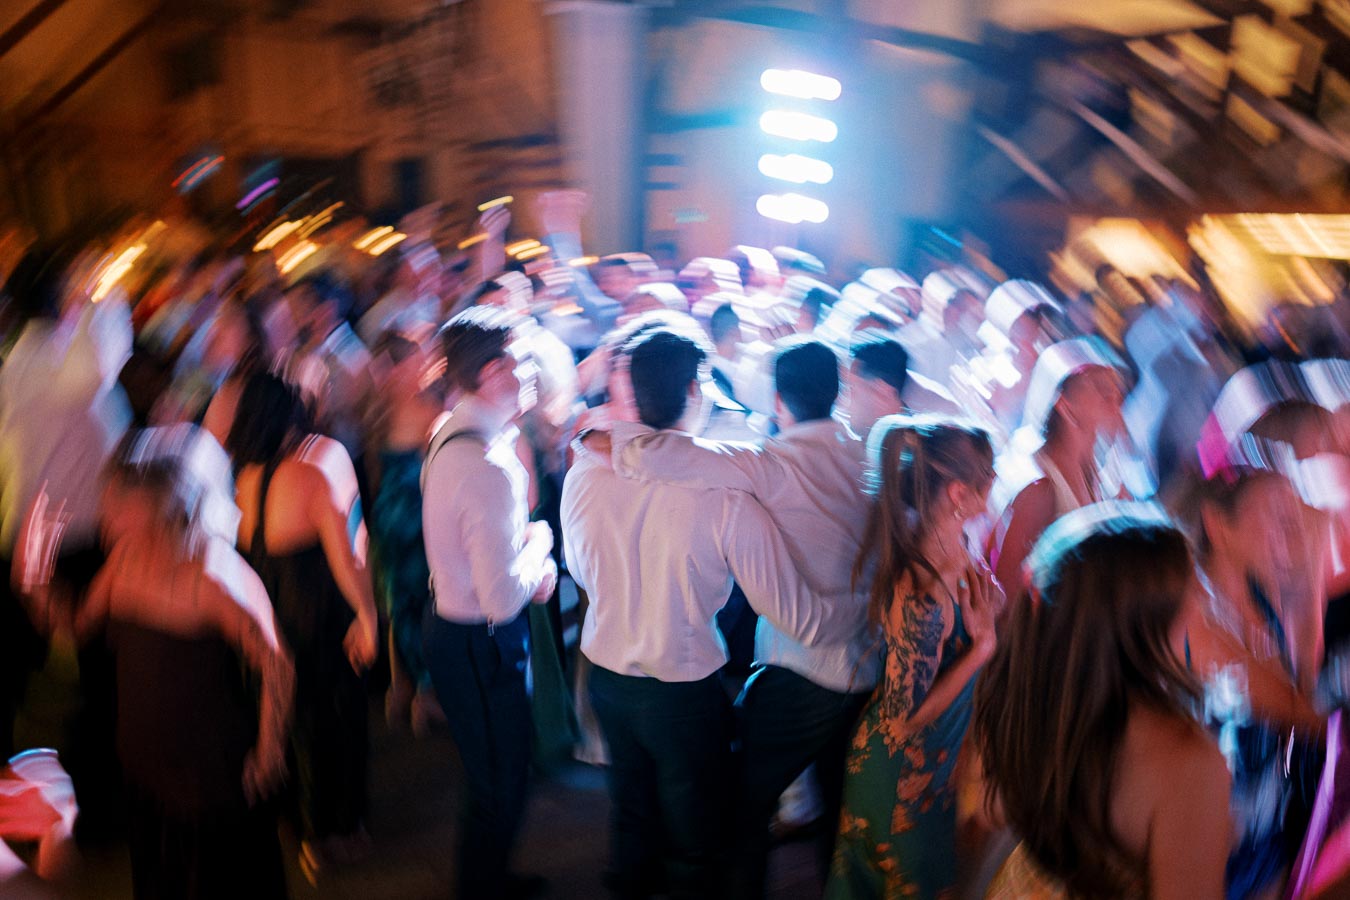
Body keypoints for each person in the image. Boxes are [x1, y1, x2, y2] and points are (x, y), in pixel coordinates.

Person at [563, 321, 859, 900]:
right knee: (695, 842)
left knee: (629, 817)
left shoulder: (585, 470)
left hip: (605, 674)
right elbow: (792, 612)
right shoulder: (725, 497)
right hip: (682, 687)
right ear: (695, 391)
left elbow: (580, 570)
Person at [974, 504, 1232, 899]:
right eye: (1195, 599)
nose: (1210, 616)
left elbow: (991, 811)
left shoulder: (1036, 704)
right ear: (1143, 628)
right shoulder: (1187, 763)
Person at [80, 438, 294, 899]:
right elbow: (80, 625)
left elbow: (277, 664)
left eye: (119, 506)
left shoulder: (212, 576)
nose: (105, 517)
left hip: (207, 782)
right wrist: (35, 585)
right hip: (145, 773)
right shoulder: (122, 563)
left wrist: (269, 749)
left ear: (159, 509)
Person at [825, 417, 1000, 900]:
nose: (996, 480)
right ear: (957, 493)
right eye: (988, 472)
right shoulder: (922, 593)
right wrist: (983, 647)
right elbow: (903, 720)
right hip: (897, 774)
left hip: (934, 769)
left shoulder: (958, 547)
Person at [421, 306, 557, 900]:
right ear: (494, 370)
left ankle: (485, 880)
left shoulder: (449, 430)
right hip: (482, 641)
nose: (531, 371)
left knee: (490, 776)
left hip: (453, 632)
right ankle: (483, 887)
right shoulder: (488, 463)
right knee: (500, 778)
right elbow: (503, 598)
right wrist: (543, 549)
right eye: (521, 359)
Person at [226, 371, 379, 877]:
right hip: (317, 621)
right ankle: (332, 833)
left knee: (281, 720)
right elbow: (349, 554)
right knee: (332, 726)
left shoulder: (238, 477)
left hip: (264, 620)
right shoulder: (316, 467)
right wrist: (368, 615)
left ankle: (297, 825)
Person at [1180, 465, 1328, 899]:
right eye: (1278, 511)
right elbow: (1299, 713)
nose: (1295, 523)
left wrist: (1305, 577)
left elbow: (1299, 700)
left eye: (1296, 509)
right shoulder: (1195, 613)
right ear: (1218, 524)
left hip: (1274, 836)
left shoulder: (1259, 599)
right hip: (1225, 867)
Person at [986, 337, 1127, 602]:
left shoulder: (1101, 477)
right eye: (1099, 387)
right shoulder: (1038, 489)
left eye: (1114, 384)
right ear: (1064, 405)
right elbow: (1005, 592)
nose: (1114, 395)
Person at [366, 332, 444, 733]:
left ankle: (400, 688)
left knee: (399, 606)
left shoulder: (375, 413)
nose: (426, 367)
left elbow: (377, 475)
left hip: (387, 517)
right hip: (416, 516)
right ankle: (428, 696)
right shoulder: (428, 406)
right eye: (419, 361)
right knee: (426, 602)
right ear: (402, 367)